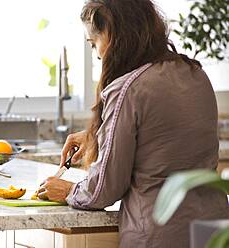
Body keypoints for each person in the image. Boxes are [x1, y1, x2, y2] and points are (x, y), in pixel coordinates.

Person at [38, 0, 229, 247]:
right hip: (212, 231)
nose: (96, 54)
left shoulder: (127, 89)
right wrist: (98, 135)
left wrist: (68, 191)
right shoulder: (196, 74)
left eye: (93, 43)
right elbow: (165, 135)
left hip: (159, 235)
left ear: (111, 33)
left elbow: (103, 189)